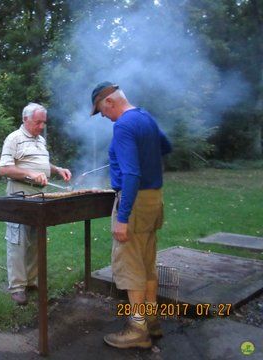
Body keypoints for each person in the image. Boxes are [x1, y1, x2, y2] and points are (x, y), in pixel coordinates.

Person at [90, 82, 172, 349]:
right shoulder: (146, 117)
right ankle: (151, 320)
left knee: (131, 264)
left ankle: (137, 329)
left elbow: (132, 174)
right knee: (147, 262)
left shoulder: (124, 125)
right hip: (154, 198)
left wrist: (123, 217)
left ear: (110, 102)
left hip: (134, 201)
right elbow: (166, 146)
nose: (104, 116)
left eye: (102, 111)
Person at [0, 103, 72, 306]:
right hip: (19, 194)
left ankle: (31, 281)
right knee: (18, 240)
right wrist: (29, 174)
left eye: (43, 123)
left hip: (39, 195)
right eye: (38, 122)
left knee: (36, 238)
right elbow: (4, 168)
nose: (41, 126)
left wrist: (57, 169)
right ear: (25, 119)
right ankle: (17, 286)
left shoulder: (40, 140)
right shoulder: (14, 139)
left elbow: (40, 164)